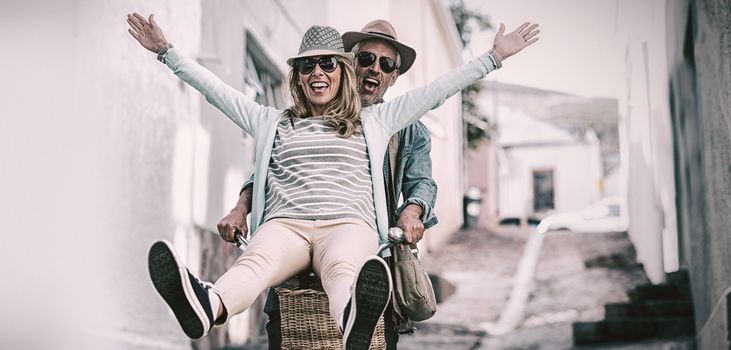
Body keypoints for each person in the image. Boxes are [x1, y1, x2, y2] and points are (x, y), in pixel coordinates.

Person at [126, 12, 538, 349]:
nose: (317, 72)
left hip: (346, 223)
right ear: (300, 77)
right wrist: (166, 51)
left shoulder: (377, 121)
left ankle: (352, 323)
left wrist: (493, 57)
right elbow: (215, 90)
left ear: (340, 72)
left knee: (346, 271)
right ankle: (207, 305)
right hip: (286, 225)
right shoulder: (271, 122)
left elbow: (438, 92)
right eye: (307, 66)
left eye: (327, 63)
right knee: (255, 263)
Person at [216, 19, 440, 349]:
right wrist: (240, 208)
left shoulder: (408, 128)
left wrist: (412, 211)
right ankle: (213, 303)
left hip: (366, 262)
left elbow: (422, 182)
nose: (374, 69)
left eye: (386, 64)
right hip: (295, 263)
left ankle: (355, 313)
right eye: (366, 59)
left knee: (366, 327)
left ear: (394, 76)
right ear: (350, 64)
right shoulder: (309, 114)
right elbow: (267, 173)